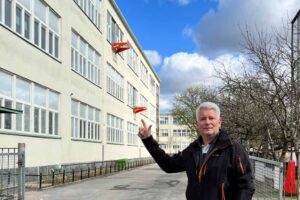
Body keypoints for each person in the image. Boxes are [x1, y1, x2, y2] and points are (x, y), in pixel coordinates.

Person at [138, 102, 254, 200]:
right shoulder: (192, 150)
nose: (207, 122)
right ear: (197, 124)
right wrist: (148, 140)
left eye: (211, 118)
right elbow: (168, 165)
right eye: (203, 119)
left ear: (219, 122)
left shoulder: (233, 148)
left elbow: (246, 185)